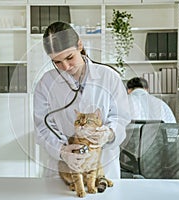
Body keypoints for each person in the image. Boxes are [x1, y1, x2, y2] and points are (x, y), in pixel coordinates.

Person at [33, 21, 131, 178]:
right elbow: (42, 127)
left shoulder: (108, 76)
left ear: (79, 45)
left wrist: (109, 134)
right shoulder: (46, 83)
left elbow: (121, 118)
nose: (65, 67)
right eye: (57, 62)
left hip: (102, 167)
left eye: (69, 57)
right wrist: (62, 151)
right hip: (62, 171)